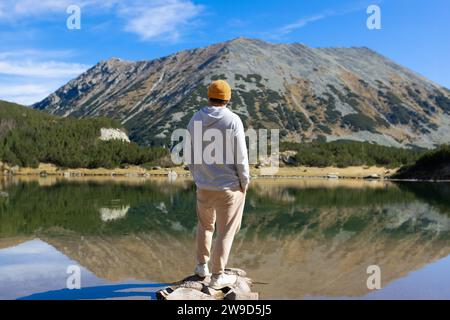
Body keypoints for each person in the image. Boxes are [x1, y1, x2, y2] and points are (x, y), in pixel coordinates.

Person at [187, 80, 250, 289]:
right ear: (228, 98)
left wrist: (197, 177)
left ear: (209, 96)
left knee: (205, 226)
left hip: (204, 186)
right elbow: (241, 157)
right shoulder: (233, 120)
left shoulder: (195, 118)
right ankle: (217, 276)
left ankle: (200, 266)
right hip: (229, 187)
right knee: (225, 232)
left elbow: (189, 154)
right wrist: (245, 183)